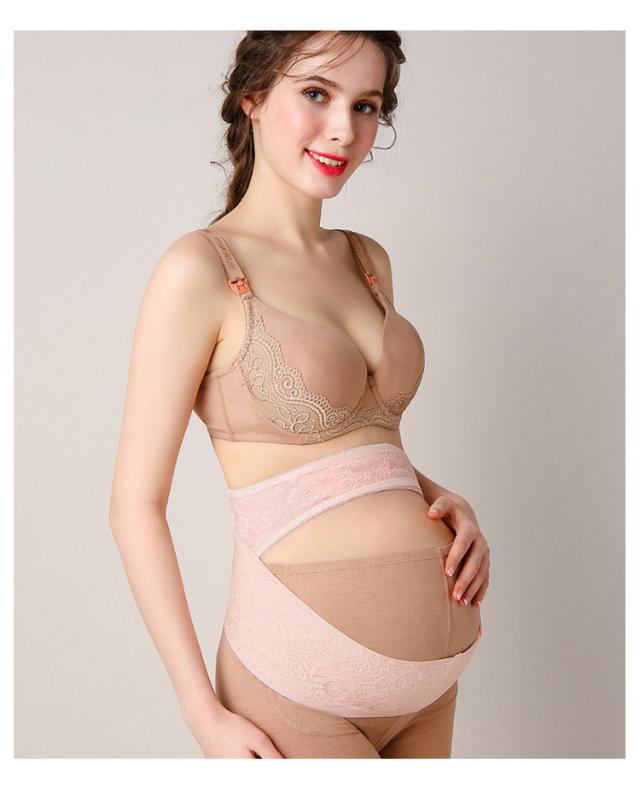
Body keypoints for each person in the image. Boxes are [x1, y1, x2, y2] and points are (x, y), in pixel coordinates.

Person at [108, 30, 491, 759]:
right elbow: (134, 506)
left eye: (367, 105)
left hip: (432, 685)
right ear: (253, 97)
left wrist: (442, 497)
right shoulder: (199, 271)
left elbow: (361, 447)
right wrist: (201, 710)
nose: (344, 129)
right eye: (317, 93)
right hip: (298, 683)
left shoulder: (367, 260)